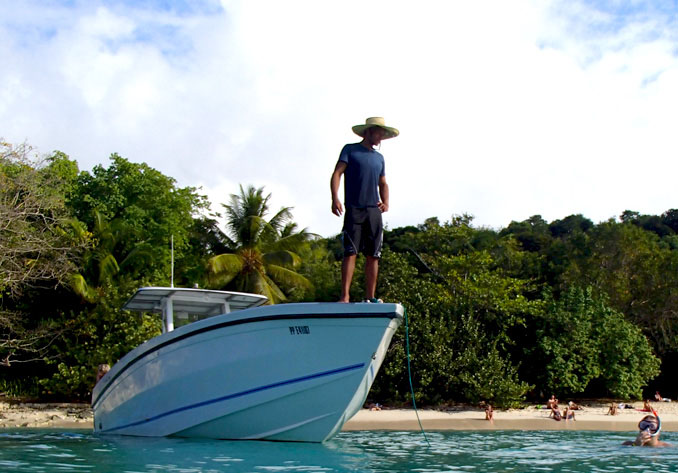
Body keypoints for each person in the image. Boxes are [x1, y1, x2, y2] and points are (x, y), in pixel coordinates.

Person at [330, 117, 399, 303]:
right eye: (379, 133)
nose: (381, 137)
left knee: (373, 254)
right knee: (350, 251)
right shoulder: (350, 150)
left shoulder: (379, 158)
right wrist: (335, 198)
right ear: (368, 132)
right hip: (354, 208)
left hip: (373, 210)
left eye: (383, 134)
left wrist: (386, 202)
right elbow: (337, 173)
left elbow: (383, 182)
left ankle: (370, 297)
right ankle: (345, 296)